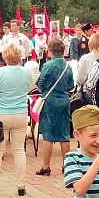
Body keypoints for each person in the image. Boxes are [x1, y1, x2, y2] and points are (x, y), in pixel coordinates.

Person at [0, 44, 32, 197]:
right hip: (21, 113)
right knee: (19, 150)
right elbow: (28, 88)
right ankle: (21, 184)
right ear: (20, 56)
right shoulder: (26, 72)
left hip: (2, 114)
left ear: (4, 56)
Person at [36, 38, 74, 176]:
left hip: (50, 100)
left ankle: (46, 166)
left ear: (50, 51)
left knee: (48, 134)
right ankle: (67, 166)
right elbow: (71, 86)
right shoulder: (67, 66)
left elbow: (39, 84)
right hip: (64, 100)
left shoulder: (47, 66)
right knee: (64, 134)